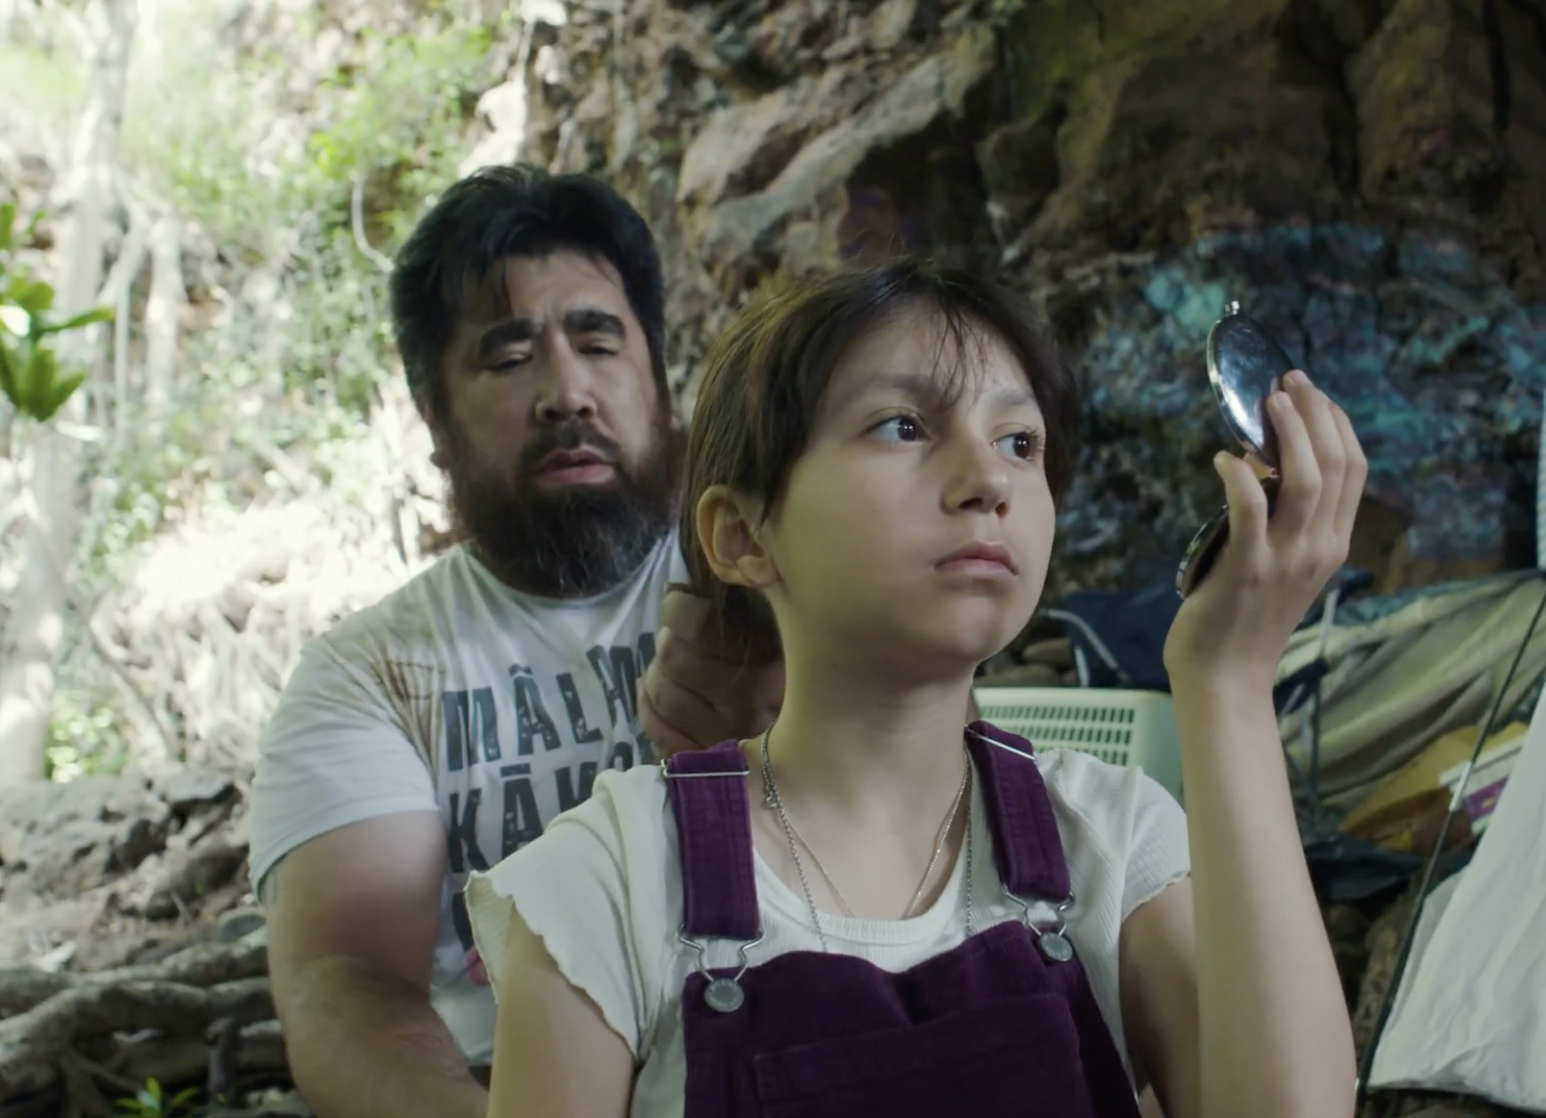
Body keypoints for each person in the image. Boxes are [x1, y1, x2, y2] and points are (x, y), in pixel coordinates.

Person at [464, 258, 1366, 1117]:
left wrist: (1227, 684)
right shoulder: (611, 881)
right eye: (902, 425)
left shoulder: (1113, 842)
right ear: (740, 534)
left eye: (1020, 441)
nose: (990, 481)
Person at [245, 165, 773, 1118]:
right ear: (434, 417)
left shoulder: (782, 577)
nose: (566, 393)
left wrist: (789, 724)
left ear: (657, 378)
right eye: (509, 357)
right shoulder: (367, 679)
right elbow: (344, 982)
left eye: (599, 343)